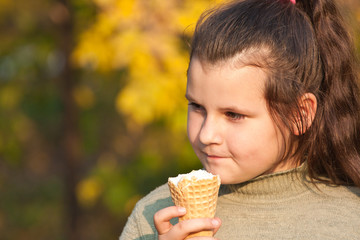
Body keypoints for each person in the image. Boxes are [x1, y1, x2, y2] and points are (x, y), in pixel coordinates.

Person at [120, 0, 360, 239]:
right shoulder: (153, 217)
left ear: (299, 114)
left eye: (233, 115)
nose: (206, 134)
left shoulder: (349, 221)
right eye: (197, 106)